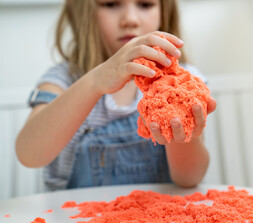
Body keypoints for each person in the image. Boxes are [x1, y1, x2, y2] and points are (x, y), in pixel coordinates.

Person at [15, 0, 216, 191]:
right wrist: (94, 82)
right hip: (78, 219)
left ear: (165, 10)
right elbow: (28, 154)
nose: (130, 19)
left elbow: (189, 179)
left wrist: (179, 135)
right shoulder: (64, 80)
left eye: (145, 4)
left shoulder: (184, 81)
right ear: (85, 12)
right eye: (111, 4)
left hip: (159, 221)